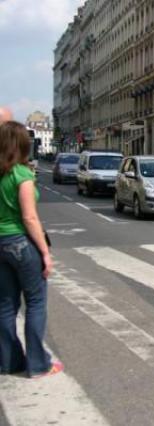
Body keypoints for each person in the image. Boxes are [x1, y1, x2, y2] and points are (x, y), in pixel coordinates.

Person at [0, 121, 63, 377]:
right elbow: (30, 218)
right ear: (23, 144)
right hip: (20, 243)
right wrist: (45, 254)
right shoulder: (21, 175)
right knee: (36, 303)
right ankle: (38, 364)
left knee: (5, 305)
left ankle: (9, 361)